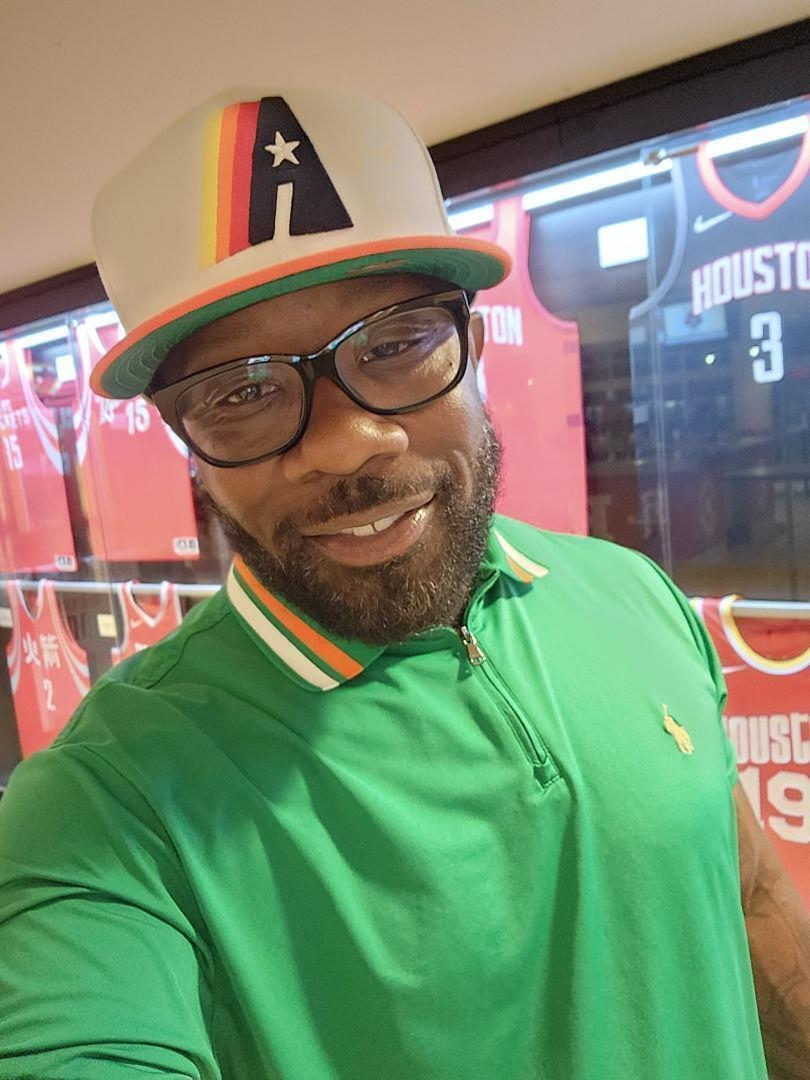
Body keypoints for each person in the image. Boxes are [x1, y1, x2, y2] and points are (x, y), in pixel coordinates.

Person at [0, 86, 807, 1080]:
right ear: (187, 441)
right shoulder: (106, 803)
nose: (348, 442)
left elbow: (748, 902)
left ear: (472, 345)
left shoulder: (633, 593)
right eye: (242, 392)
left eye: (393, 345)